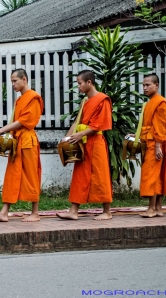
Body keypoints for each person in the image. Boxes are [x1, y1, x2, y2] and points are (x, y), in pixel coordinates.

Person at [0, 69, 43, 223]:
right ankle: (4, 212)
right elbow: (14, 121)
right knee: (11, 175)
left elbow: (24, 121)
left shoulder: (34, 97)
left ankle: (35, 212)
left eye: (15, 81)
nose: (12, 84)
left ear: (24, 79)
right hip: (17, 140)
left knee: (32, 175)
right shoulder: (19, 100)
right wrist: (5, 135)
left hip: (28, 141)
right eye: (11, 81)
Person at [57, 70, 113, 220]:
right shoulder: (84, 102)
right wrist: (66, 139)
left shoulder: (103, 99)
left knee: (100, 176)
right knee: (79, 174)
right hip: (83, 142)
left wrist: (81, 134)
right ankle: (73, 211)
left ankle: (107, 211)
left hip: (96, 143)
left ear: (89, 82)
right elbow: (77, 122)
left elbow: (99, 125)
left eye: (80, 83)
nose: (78, 86)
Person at [137, 74, 166, 218]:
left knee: (151, 175)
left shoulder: (160, 102)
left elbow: (161, 126)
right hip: (149, 142)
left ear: (156, 85)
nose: (144, 88)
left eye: (148, 85)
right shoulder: (150, 102)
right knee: (156, 175)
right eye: (143, 85)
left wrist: (157, 146)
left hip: (156, 144)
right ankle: (157, 208)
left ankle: (152, 208)